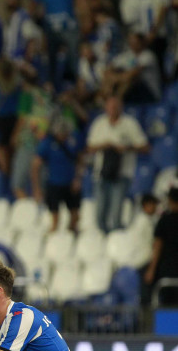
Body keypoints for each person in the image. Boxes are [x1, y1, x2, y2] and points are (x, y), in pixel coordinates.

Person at [85, 95, 150, 233]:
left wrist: (126, 148)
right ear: (106, 107)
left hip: (122, 174)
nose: (113, 109)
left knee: (116, 214)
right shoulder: (99, 123)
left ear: (121, 107)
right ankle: (103, 243)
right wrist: (105, 145)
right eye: (110, 106)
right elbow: (89, 148)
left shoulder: (130, 124)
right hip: (101, 174)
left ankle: (117, 244)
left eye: (116, 106)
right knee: (99, 215)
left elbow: (145, 147)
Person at [31, 116, 83, 233]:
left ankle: (71, 235)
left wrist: (78, 179)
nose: (63, 135)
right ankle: (54, 242)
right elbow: (35, 166)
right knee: (55, 218)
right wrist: (37, 188)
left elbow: (80, 160)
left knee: (75, 216)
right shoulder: (47, 144)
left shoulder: (72, 142)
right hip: (54, 184)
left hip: (70, 184)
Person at [145, 187, 178, 306]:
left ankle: (168, 325)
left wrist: (151, 269)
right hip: (169, 271)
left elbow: (158, 245)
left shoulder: (165, 220)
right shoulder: (164, 219)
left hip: (167, 271)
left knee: (167, 306)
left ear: (170, 200)